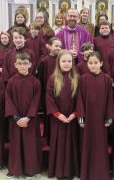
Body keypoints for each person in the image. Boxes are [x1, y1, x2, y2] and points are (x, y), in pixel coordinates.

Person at [76, 51, 114, 180]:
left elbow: (110, 99)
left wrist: (109, 117)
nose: (93, 65)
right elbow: (80, 99)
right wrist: (81, 116)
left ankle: (101, 173)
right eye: (90, 63)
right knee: (87, 144)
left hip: (101, 119)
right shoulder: (83, 79)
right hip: (88, 118)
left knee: (100, 144)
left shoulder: (107, 79)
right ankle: (87, 172)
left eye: (95, 63)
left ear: (101, 63)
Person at [5, 52, 42, 179]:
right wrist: (16, 117)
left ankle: (31, 169)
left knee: (30, 145)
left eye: (25, 63)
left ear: (30, 65)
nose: (22, 66)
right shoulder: (11, 82)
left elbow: (36, 101)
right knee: (16, 145)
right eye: (20, 64)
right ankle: (16, 169)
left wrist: (28, 117)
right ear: (15, 65)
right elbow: (8, 100)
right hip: (16, 120)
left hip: (30, 120)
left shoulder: (35, 82)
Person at [46, 50, 80, 180]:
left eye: (69, 61)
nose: (66, 64)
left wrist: (75, 113)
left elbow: (80, 99)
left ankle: (70, 170)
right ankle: (59, 171)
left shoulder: (77, 78)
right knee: (59, 143)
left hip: (72, 117)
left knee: (72, 143)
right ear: (58, 62)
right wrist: (57, 114)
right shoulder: (52, 79)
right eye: (63, 61)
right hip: (57, 118)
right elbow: (49, 98)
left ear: (73, 63)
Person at [37, 37, 62, 143]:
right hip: (48, 94)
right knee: (49, 116)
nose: (58, 48)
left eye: (60, 46)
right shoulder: (44, 61)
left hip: (61, 93)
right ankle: (49, 137)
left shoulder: (61, 60)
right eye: (56, 46)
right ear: (49, 46)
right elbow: (41, 79)